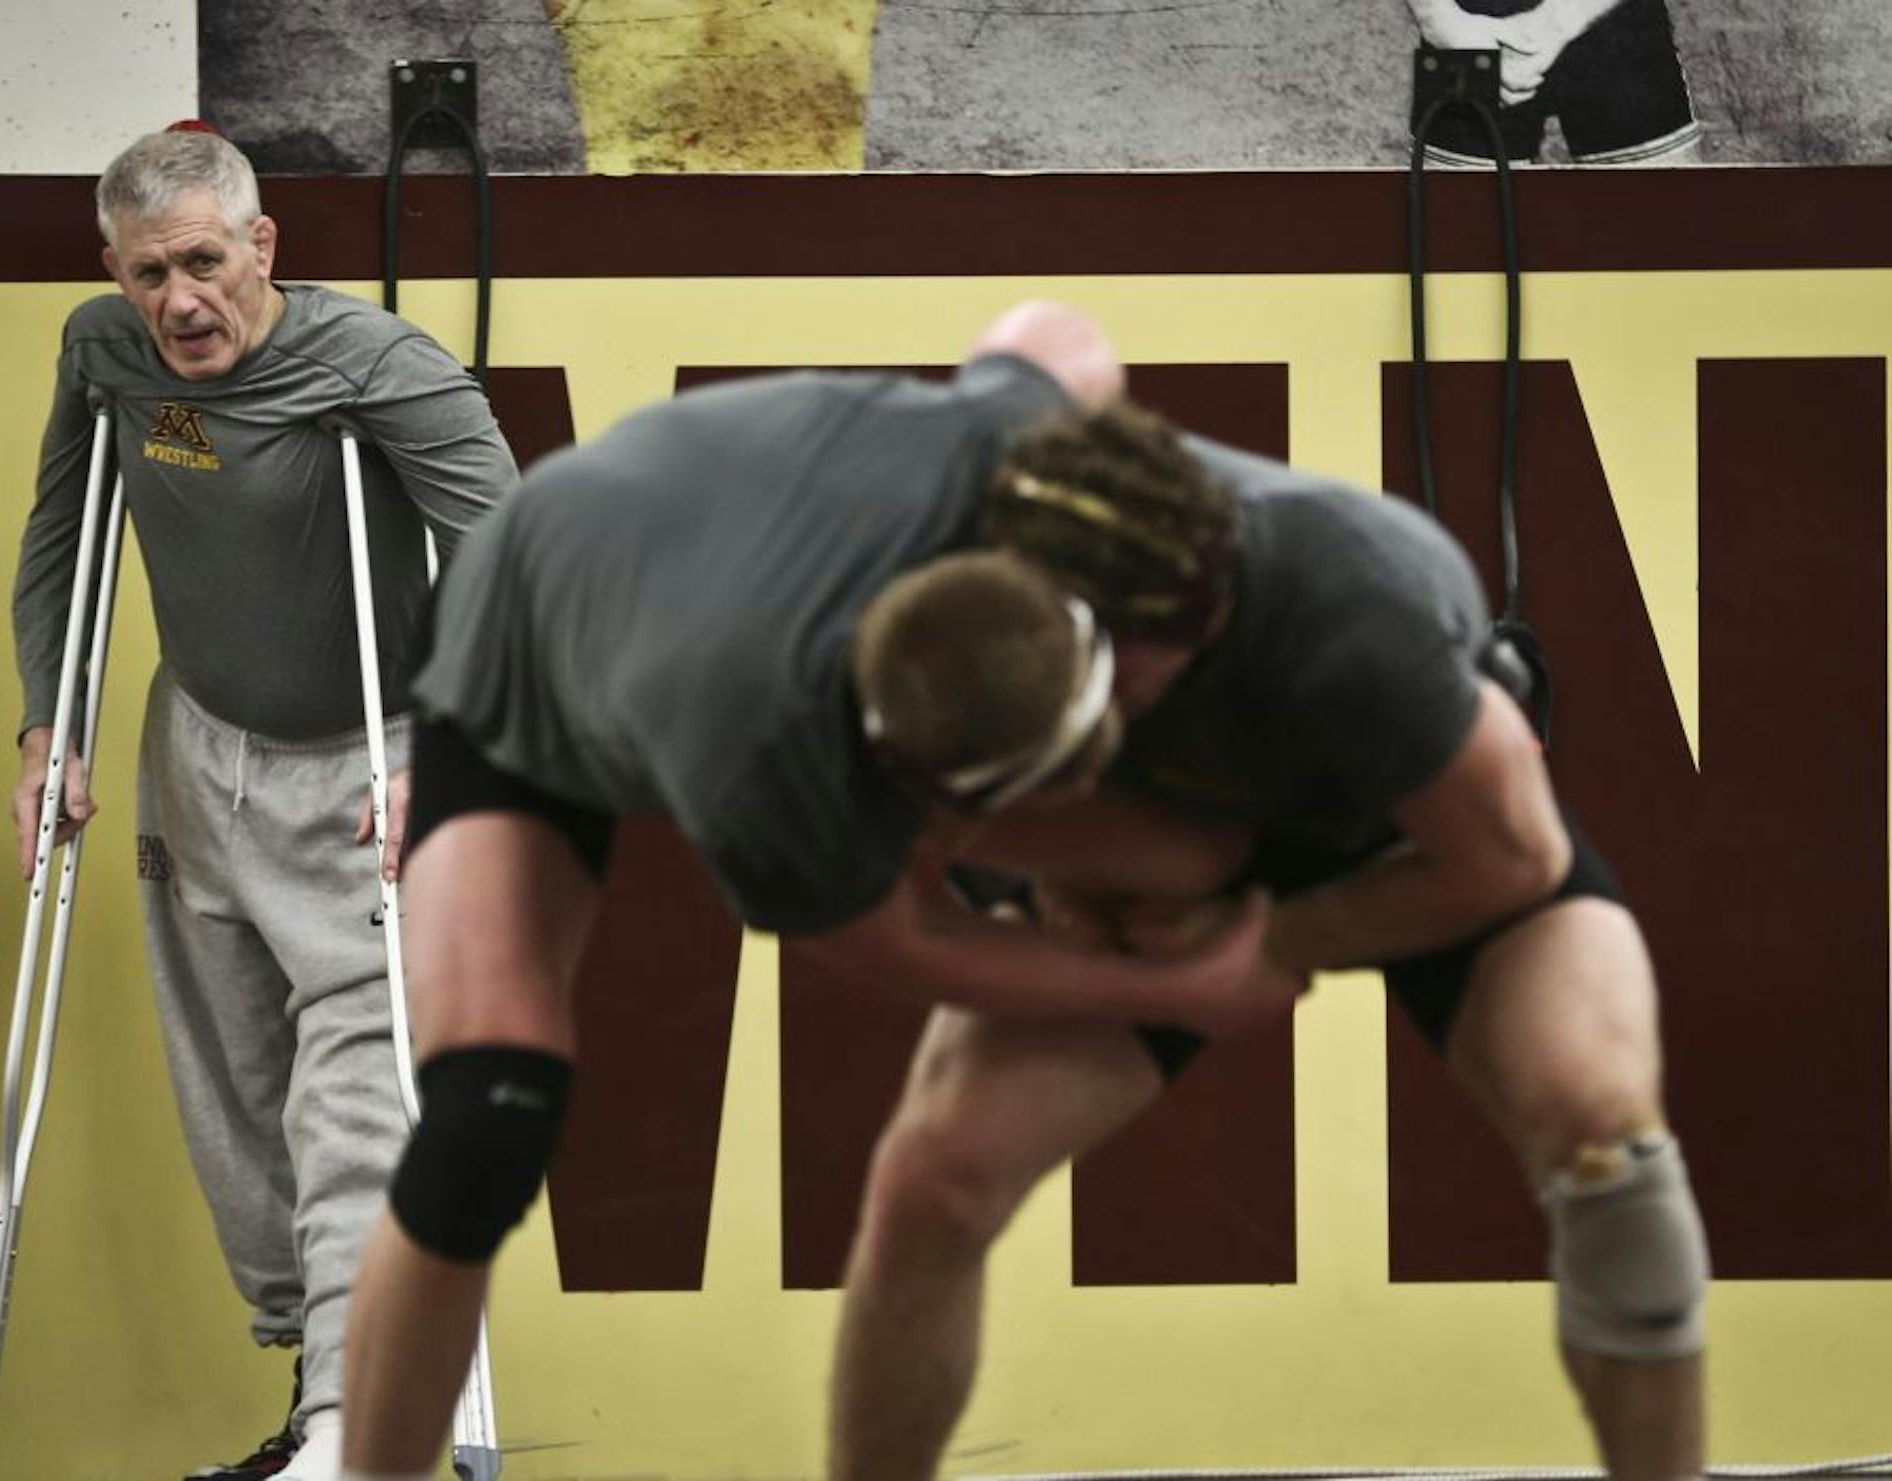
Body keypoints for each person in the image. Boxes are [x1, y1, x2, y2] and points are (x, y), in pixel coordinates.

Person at [335, 302, 1302, 1481]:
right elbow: (909, 941)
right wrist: (1177, 985)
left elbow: (1059, 337)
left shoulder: (998, 452)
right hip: (525, 637)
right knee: (486, 1121)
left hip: (708, 571)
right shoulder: (753, 748)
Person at [826, 404, 1710, 1480]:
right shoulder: (967, 609)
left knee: (1610, 1152)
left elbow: (1512, 859)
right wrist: (1068, 888)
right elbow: (923, 844)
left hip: (1408, 842)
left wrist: (1270, 939)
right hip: (1157, 867)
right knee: (934, 1174)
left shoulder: (1355, 616)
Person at [8, 127, 516, 1481]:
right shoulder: (103, 352)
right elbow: (59, 533)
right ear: (112, 271)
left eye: (203, 263)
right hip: (199, 756)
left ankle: (352, 1429)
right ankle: (323, 1394)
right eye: (148, 273)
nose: (180, 300)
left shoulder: (379, 364)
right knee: (238, 1094)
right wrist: (49, 726)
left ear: (261, 246)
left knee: (354, 1096)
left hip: (367, 767)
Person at [1406, 0, 1703, 164]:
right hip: (1467, 29)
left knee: (1659, 235)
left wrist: (1557, 23)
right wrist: (1436, 17)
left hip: (1612, 23)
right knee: (1459, 239)